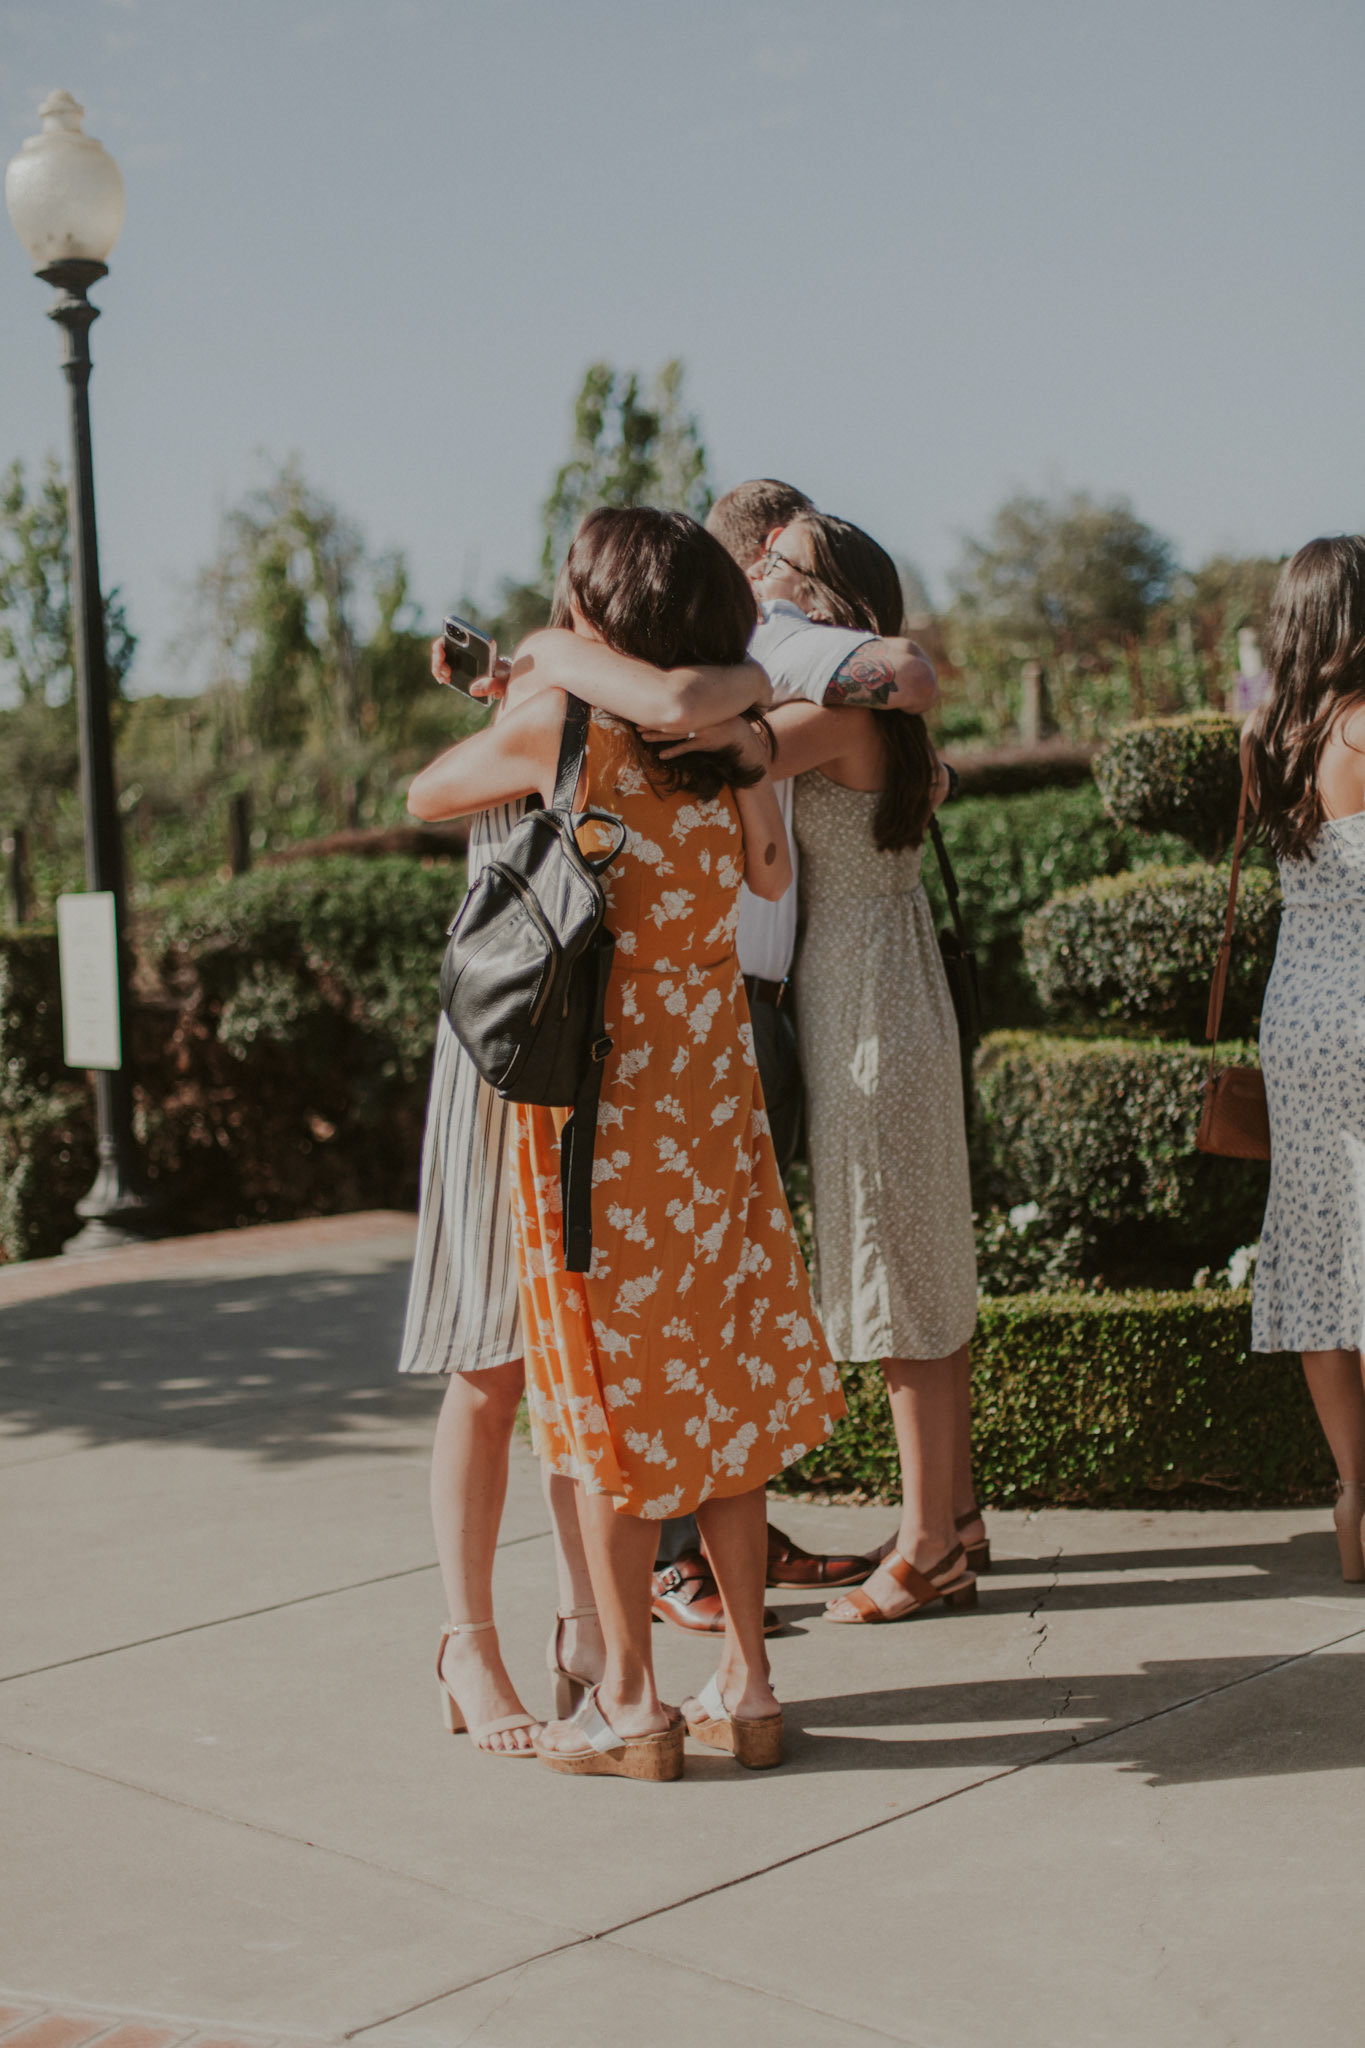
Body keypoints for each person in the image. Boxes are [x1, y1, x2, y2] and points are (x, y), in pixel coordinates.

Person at [409, 506, 846, 1778]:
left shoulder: (569, 729)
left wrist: (541, 668)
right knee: (721, 1384)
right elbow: (769, 879)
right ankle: (751, 1684)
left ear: (604, 615)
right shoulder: (743, 744)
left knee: (602, 1403)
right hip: (716, 1109)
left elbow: (429, 792)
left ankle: (634, 1705)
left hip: (597, 1117)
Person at [661, 510, 985, 1621]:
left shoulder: (833, 714)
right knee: (925, 1276)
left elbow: (721, 749)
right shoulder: (875, 723)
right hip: (902, 983)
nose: (760, 573)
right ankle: (949, 1521)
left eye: (778, 562)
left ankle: (931, 1543)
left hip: (859, 1003)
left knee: (895, 1284)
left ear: (826, 596)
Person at [1245, 535, 1365, 1582]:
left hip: (1297, 1014)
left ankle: (1353, 1492)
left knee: (1325, 1245)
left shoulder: (1272, 734)